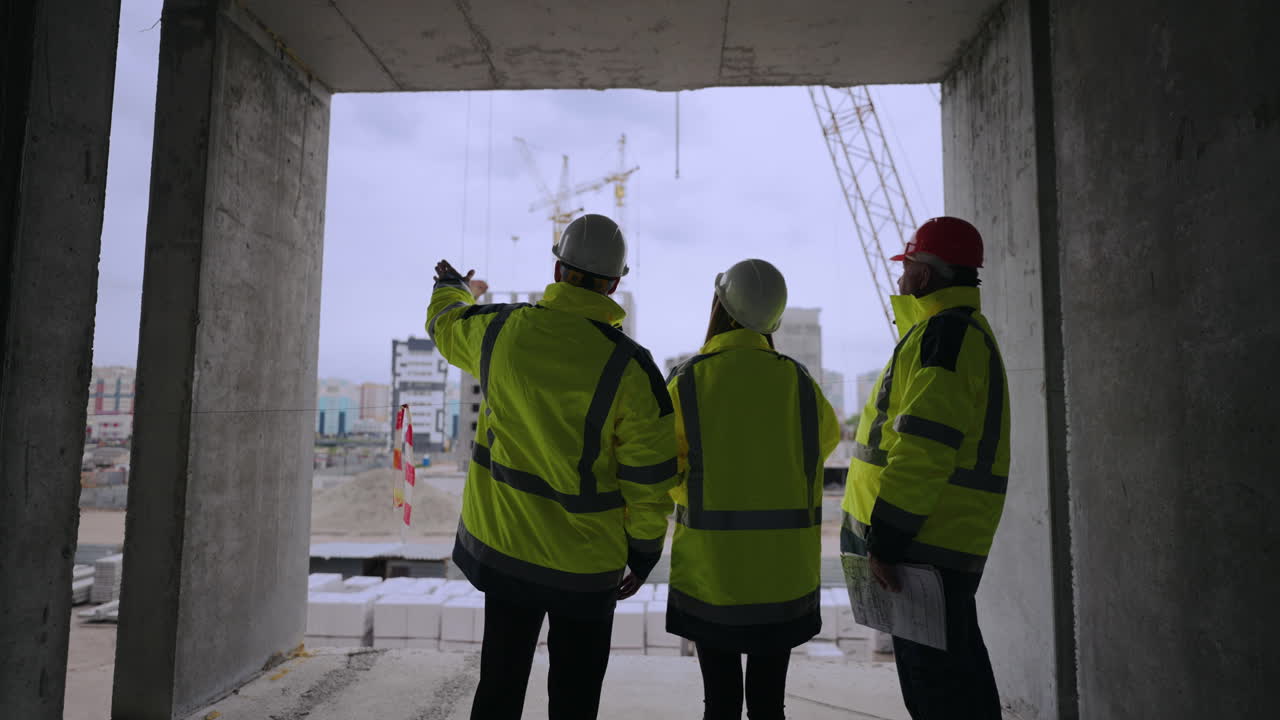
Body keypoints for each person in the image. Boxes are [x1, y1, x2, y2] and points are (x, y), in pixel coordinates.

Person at [427, 213, 679, 720]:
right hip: (586, 569)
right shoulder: (632, 368)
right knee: (575, 697)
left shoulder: (501, 330)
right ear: (613, 284)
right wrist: (645, 551)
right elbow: (649, 479)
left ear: (558, 269)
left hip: (506, 550)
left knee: (499, 685)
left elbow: (445, 324)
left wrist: (453, 287)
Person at [841, 217, 1010, 719]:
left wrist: (887, 537)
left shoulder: (946, 338)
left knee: (939, 692)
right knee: (952, 679)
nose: (900, 276)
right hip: (929, 542)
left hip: (922, 547)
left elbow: (923, 448)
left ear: (927, 274)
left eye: (907, 265)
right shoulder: (945, 335)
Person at [665, 259, 841, 720]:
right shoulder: (800, 383)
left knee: (720, 703)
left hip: (712, 575)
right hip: (784, 577)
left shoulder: (688, 381)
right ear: (773, 320)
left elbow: (661, 466)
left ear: (719, 305)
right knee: (768, 704)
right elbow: (823, 443)